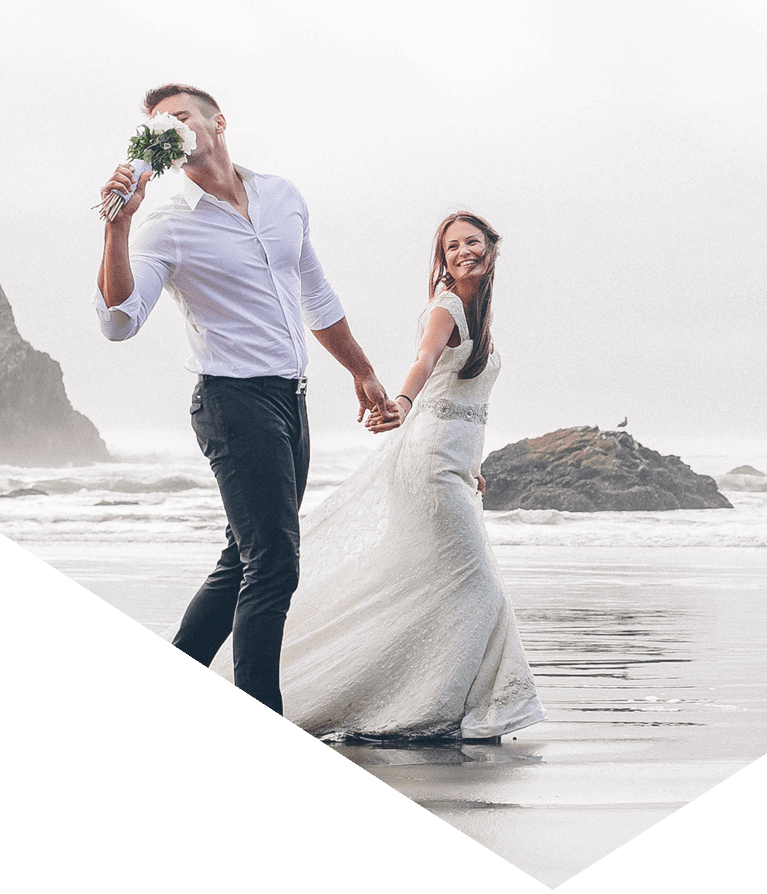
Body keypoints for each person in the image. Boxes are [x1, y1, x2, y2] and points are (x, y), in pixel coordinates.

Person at [93, 84, 398, 715]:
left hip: (292, 399)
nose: (170, 129)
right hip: (233, 402)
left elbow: (316, 293)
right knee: (275, 564)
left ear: (217, 122)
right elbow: (118, 321)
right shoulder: (168, 226)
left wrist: (362, 373)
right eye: (158, 125)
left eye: (180, 117)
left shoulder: (282, 196)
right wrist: (117, 230)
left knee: (246, 556)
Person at [211, 211, 546, 741]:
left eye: (472, 241)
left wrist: (475, 468)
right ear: (442, 258)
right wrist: (402, 403)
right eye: (452, 245)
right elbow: (423, 360)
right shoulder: (447, 308)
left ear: (492, 248)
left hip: (455, 469)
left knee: (435, 586)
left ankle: (447, 704)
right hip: (429, 468)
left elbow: (467, 402)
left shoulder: (480, 314)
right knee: (478, 585)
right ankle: (446, 709)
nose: (463, 251)